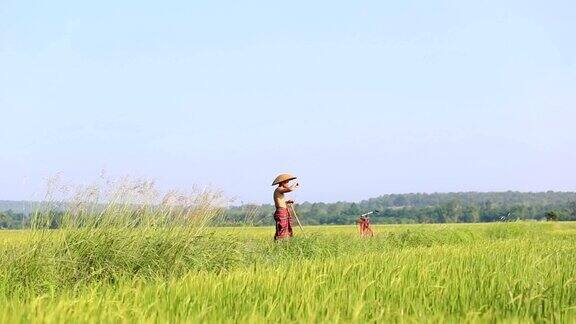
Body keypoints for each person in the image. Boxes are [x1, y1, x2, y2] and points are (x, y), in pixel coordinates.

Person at [272, 173, 300, 240]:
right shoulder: (279, 189)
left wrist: (287, 202)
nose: (287, 184)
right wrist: (294, 185)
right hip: (281, 211)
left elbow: (281, 202)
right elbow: (290, 189)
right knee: (281, 228)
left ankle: (285, 243)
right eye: (287, 183)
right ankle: (279, 243)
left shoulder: (281, 191)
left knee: (286, 228)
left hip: (284, 211)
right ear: (282, 183)